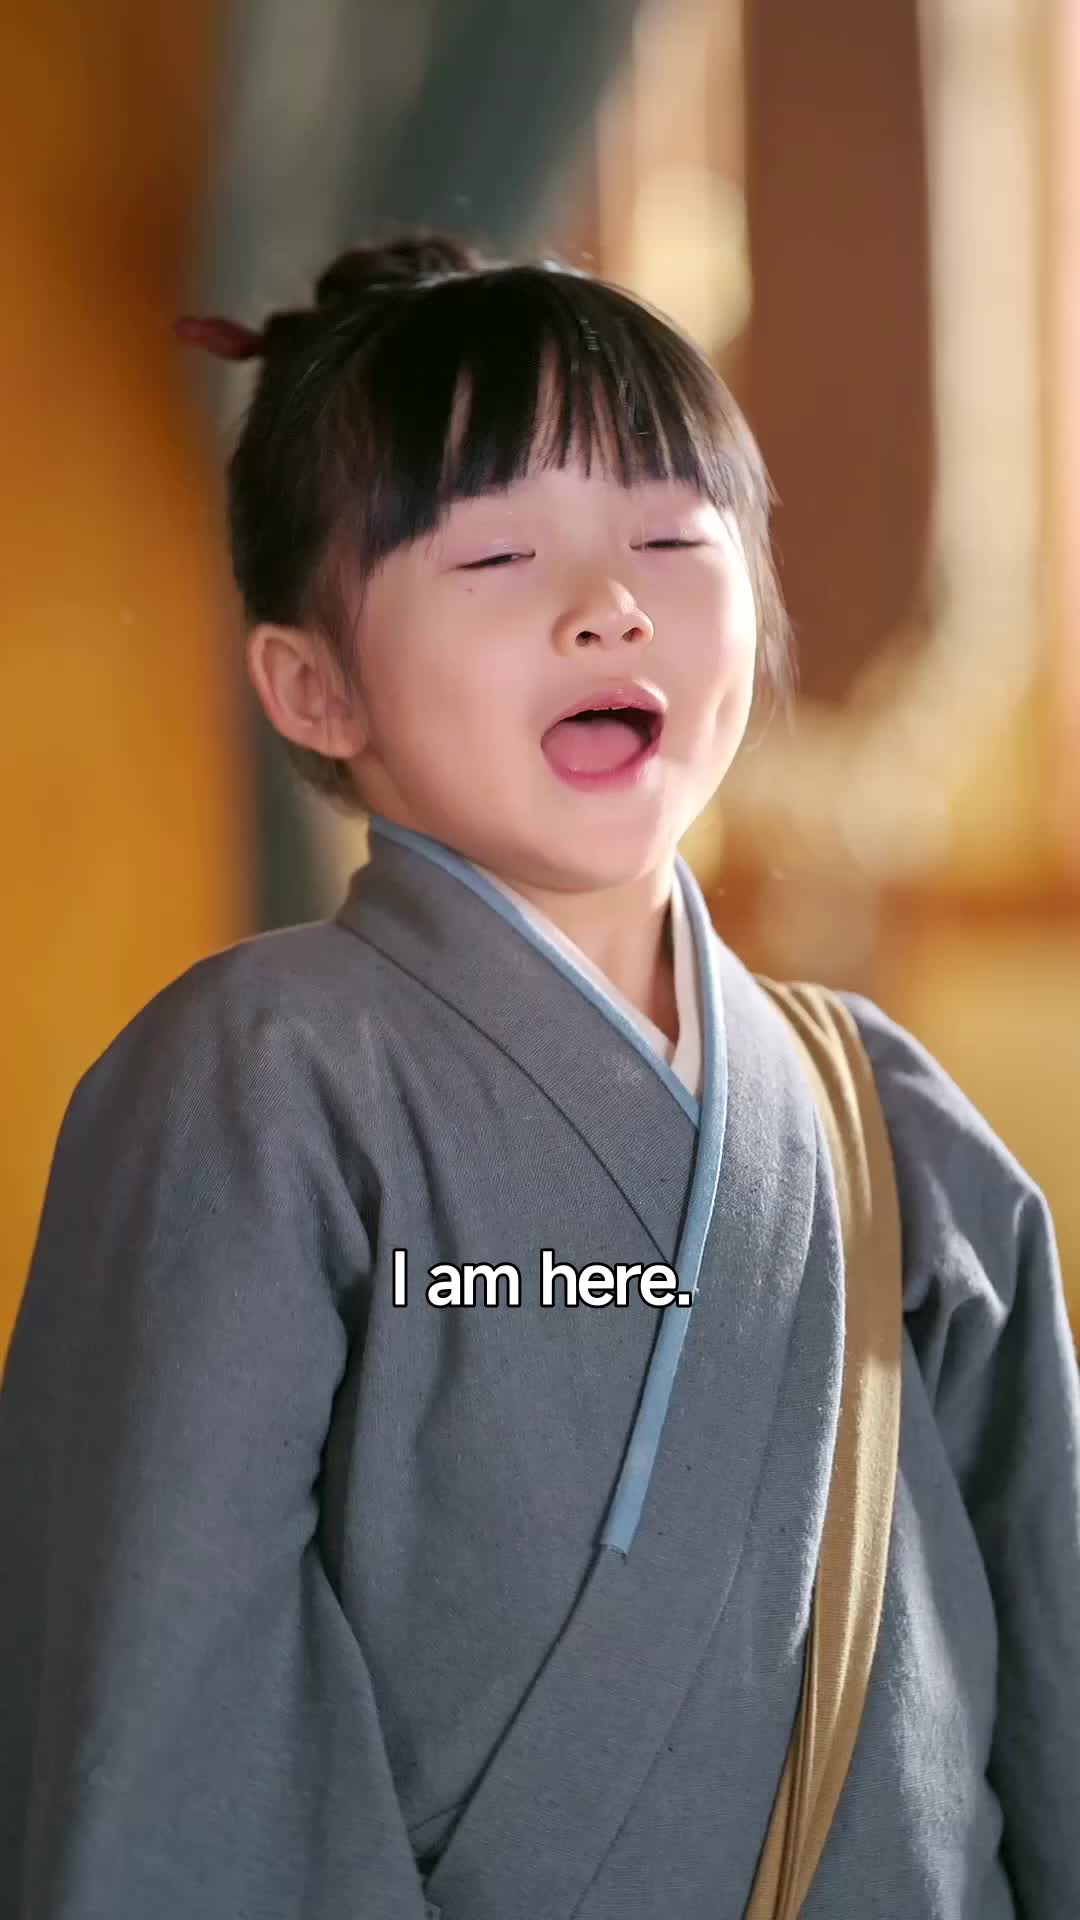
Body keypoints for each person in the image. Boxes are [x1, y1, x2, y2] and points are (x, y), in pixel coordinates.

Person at [1, 233, 1077, 1920]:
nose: (608, 602)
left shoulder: (883, 1116)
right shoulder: (256, 1085)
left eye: (672, 539)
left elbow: (1047, 1683)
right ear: (314, 685)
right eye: (498, 553)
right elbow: (175, 1719)